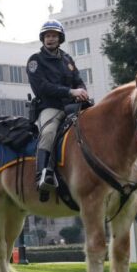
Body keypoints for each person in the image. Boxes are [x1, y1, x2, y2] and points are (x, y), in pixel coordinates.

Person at [26, 19, 88, 196]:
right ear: (43, 39)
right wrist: (70, 92)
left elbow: (78, 80)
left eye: (53, 36)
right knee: (48, 133)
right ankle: (42, 175)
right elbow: (41, 87)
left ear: (60, 38)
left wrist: (82, 91)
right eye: (47, 36)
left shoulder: (67, 59)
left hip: (73, 107)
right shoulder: (35, 61)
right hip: (50, 107)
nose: (50, 39)